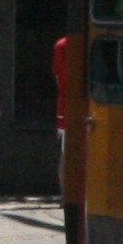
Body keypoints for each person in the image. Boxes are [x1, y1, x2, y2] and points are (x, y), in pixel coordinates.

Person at [52, 34, 70, 197]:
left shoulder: (60, 45)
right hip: (77, 103)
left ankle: (65, 196)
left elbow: (58, 78)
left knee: (66, 153)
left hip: (65, 104)